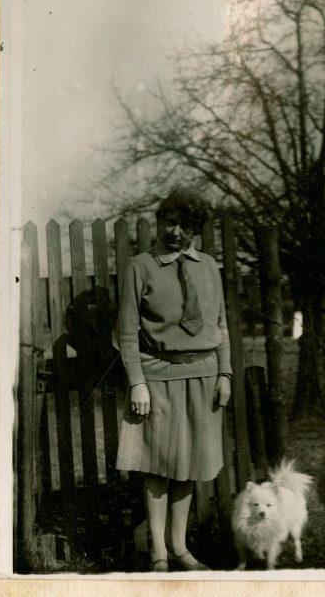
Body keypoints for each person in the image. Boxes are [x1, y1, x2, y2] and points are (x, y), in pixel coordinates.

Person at [115, 187, 232, 572]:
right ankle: (158, 554)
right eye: (169, 222)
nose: (175, 231)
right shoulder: (141, 266)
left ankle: (180, 548)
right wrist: (137, 381)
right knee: (158, 464)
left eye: (184, 224)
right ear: (160, 222)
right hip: (158, 377)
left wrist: (225, 373)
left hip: (204, 375)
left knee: (191, 465)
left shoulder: (208, 266)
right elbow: (127, 331)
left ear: (195, 228)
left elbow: (220, 325)